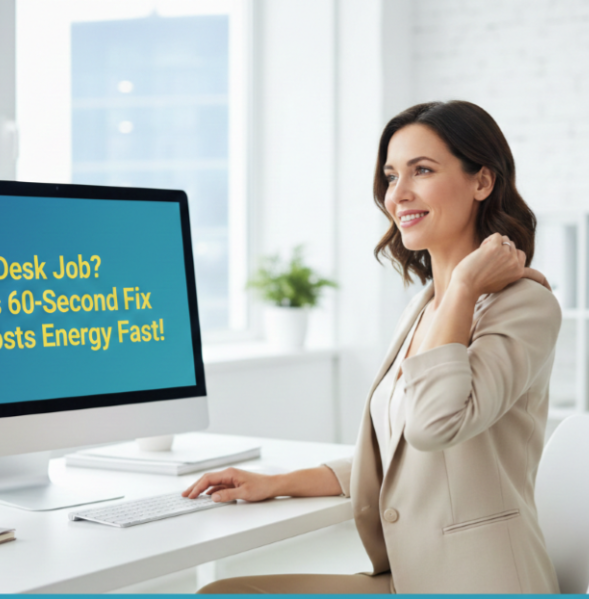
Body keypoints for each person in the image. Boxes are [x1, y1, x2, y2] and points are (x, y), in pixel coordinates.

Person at [184, 100, 562, 594]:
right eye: (390, 176)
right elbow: (398, 455)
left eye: (422, 170)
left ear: (482, 182)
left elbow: (433, 426)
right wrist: (276, 483)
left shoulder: (524, 306)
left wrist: (465, 285)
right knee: (223, 592)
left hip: (479, 581)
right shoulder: (425, 306)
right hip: (411, 576)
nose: (397, 194)